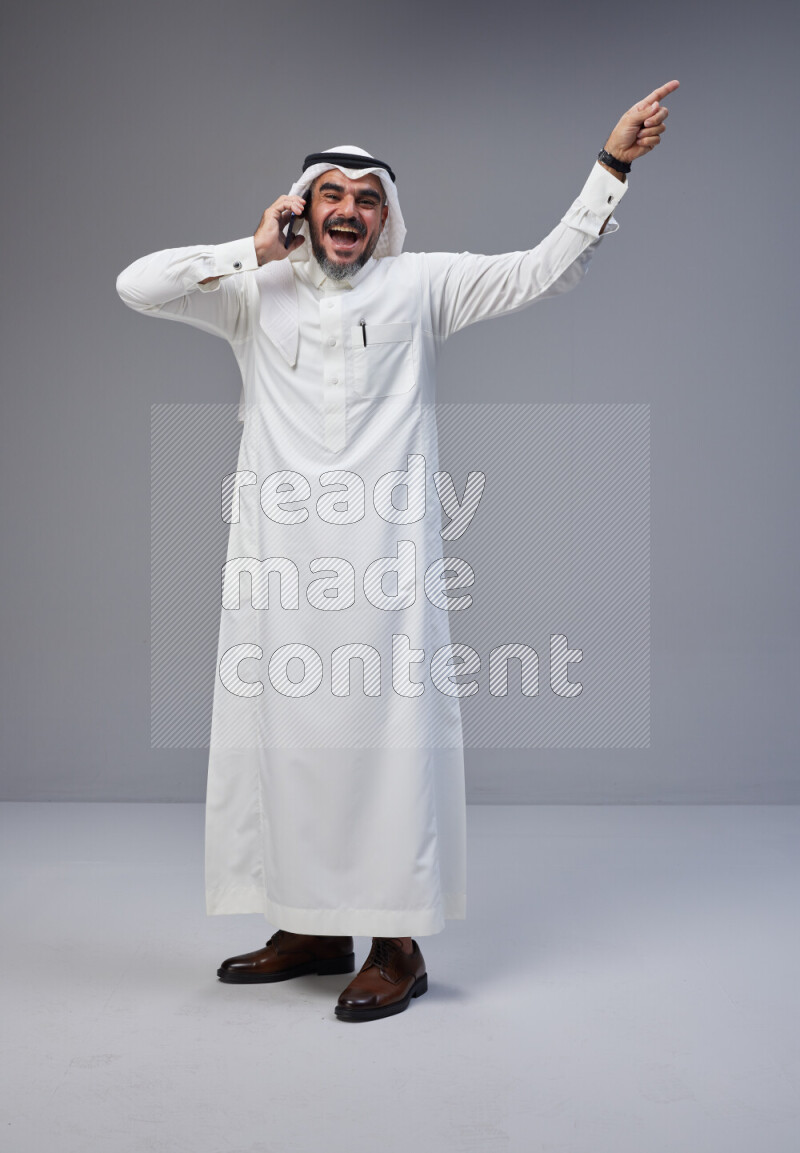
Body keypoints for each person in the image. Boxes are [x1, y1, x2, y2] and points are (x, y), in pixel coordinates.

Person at [116, 80, 678, 1023]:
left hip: (385, 568)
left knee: (385, 749)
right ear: (302, 208)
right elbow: (137, 285)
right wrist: (252, 250)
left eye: (367, 199)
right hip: (280, 567)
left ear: (386, 217)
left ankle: (396, 945)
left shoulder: (421, 285)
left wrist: (611, 164)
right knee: (288, 745)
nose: (349, 211)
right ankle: (311, 926)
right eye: (330, 195)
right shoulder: (252, 292)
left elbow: (541, 268)